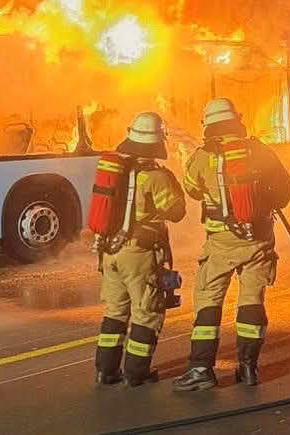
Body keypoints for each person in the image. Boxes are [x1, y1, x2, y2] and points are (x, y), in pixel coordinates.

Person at [173, 98, 290, 391]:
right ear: (236, 120)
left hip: (221, 244)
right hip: (259, 240)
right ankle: (248, 368)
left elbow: (191, 189)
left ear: (208, 125)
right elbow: (285, 188)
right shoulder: (259, 150)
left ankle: (202, 369)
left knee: (208, 302)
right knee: (252, 301)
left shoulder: (203, 157)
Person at [92, 112, 186, 387]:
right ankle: (136, 372)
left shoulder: (116, 171)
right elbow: (176, 211)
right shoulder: (155, 176)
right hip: (139, 254)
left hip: (110, 251)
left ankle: (105, 371)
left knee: (115, 312)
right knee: (147, 312)